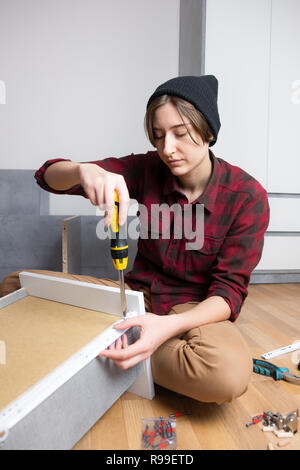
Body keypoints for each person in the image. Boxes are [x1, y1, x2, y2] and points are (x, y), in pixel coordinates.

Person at [0, 75, 269, 404]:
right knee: (17, 286)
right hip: (131, 299)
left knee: (224, 373)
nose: (167, 149)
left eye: (180, 134)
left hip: (191, 313)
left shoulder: (247, 196)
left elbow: (228, 294)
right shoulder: (147, 168)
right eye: (158, 136)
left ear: (208, 131)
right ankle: (120, 350)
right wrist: (83, 171)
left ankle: (93, 349)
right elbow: (47, 176)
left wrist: (166, 328)